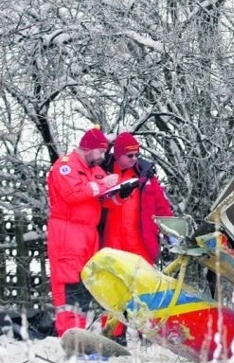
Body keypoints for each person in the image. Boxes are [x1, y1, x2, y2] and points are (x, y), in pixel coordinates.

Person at [46, 127, 120, 336]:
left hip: (88, 232)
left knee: (84, 283)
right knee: (69, 284)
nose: (103, 157)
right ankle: (70, 334)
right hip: (67, 231)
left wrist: (119, 194)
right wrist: (101, 185)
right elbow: (73, 194)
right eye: (100, 152)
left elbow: (104, 199)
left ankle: (78, 334)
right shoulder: (65, 167)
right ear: (88, 148)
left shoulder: (93, 169)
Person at [101, 132, 173, 265]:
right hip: (111, 246)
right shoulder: (104, 173)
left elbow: (162, 207)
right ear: (118, 154)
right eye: (130, 155)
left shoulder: (145, 176)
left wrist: (171, 234)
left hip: (141, 246)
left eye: (137, 155)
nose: (134, 158)